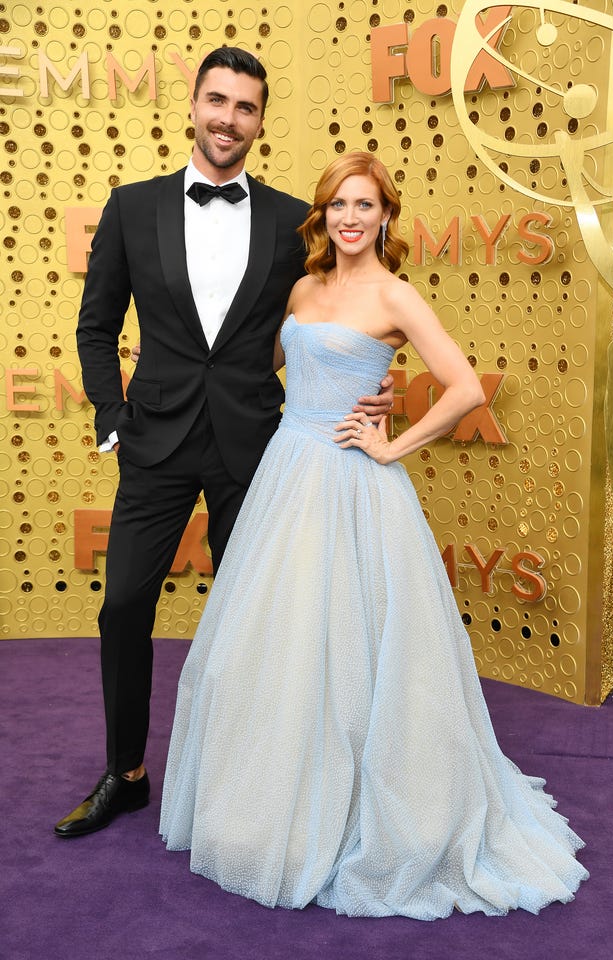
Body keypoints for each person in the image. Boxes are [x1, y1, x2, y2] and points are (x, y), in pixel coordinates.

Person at [159, 151, 588, 919]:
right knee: (279, 646)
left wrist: (392, 439)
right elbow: (265, 367)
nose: (349, 218)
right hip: (288, 473)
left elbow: (462, 387)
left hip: (356, 484)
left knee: (359, 650)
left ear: (387, 215)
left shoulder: (397, 294)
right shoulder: (301, 287)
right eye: (336, 206)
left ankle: (362, 808)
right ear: (321, 217)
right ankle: (272, 810)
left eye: (364, 205)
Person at [54, 50, 392, 839]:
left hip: (256, 449)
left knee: (264, 618)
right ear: (194, 106)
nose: (227, 119)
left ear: (260, 123)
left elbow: (334, 307)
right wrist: (111, 414)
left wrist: (365, 384)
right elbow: (96, 326)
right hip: (156, 444)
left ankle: (253, 779)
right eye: (217, 101)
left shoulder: (289, 220)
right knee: (123, 609)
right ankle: (126, 775)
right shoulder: (131, 207)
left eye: (245, 107)